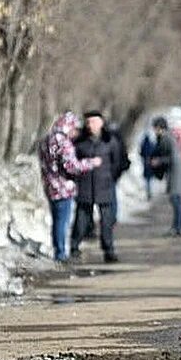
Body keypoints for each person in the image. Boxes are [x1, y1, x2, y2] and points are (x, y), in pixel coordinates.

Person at [38, 112, 95, 262]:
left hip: (50, 185)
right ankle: (61, 254)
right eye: (74, 129)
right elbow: (71, 166)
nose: (75, 133)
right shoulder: (63, 141)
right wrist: (90, 163)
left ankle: (59, 250)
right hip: (63, 187)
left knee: (57, 221)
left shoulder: (46, 139)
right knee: (62, 222)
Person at [72, 110, 122, 263]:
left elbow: (118, 163)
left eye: (94, 122)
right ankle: (73, 246)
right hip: (85, 186)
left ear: (101, 123)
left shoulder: (110, 141)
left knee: (107, 221)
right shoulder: (80, 142)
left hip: (105, 186)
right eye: (88, 122)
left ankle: (109, 250)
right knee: (81, 220)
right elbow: (73, 162)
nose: (90, 125)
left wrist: (110, 177)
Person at [150, 116, 181, 235]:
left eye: (156, 128)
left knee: (176, 201)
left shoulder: (166, 139)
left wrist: (158, 161)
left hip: (175, 175)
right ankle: (177, 226)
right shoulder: (167, 138)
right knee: (175, 201)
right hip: (174, 173)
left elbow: (171, 158)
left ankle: (178, 227)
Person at [139, 129, 157, 200]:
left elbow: (141, 152)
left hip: (146, 163)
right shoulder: (151, 144)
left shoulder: (143, 144)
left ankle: (148, 192)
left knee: (147, 180)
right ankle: (150, 192)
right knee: (149, 179)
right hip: (150, 163)